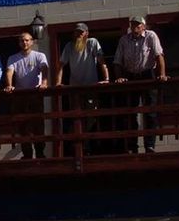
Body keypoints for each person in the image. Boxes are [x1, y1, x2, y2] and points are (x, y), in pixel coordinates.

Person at [112, 15, 167, 152]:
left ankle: (149, 145)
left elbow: (159, 55)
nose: (134, 27)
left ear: (143, 26)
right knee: (131, 112)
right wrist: (119, 77)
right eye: (132, 24)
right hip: (130, 76)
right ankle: (132, 145)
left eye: (137, 24)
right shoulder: (124, 40)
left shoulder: (150, 36)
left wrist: (162, 74)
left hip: (147, 74)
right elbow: (117, 61)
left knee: (150, 112)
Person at [57, 22, 110, 155]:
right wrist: (58, 83)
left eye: (82, 32)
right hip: (75, 89)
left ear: (87, 33)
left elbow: (101, 60)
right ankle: (80, 148)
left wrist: (107, 79)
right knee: (76, 117)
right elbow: (61, 65)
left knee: (91, 116)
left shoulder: (92, 43)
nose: (79, 34)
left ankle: (88, 146)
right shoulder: (69, 46)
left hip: (90, 86)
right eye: (77, 32)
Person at [2, 32, 50, 159]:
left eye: (27, 40)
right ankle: (27, 154)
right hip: (20, 97)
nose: (25, 43)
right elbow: (9, 72)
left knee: (38, 125)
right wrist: (9, 85)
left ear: (32, 42)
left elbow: (44, 68)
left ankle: (40, 153)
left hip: (35, 95)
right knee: (23, 127)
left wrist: (44, 83)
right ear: (19, 43)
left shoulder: (39, 56)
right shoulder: (13, 58)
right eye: (22, 40)